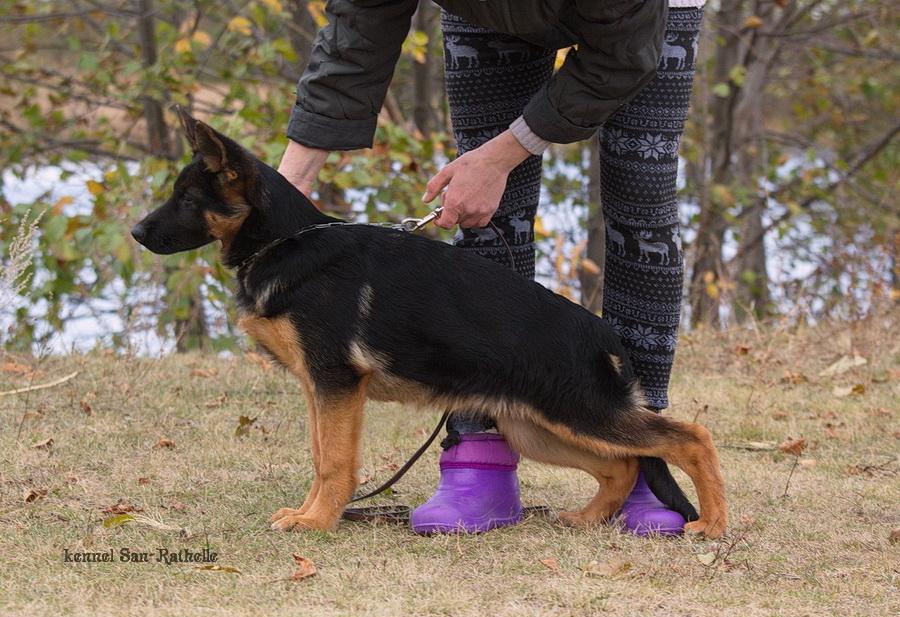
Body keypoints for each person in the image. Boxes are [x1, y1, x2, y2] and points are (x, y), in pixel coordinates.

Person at [278, 0, 706, 536]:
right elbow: (356, 34)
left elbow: (623, 56)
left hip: (640, 18)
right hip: (482, 17)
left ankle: (636, 446)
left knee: (639, 210)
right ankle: (480, 452)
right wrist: (288, 186)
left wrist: (500, 156)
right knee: (484, 215)